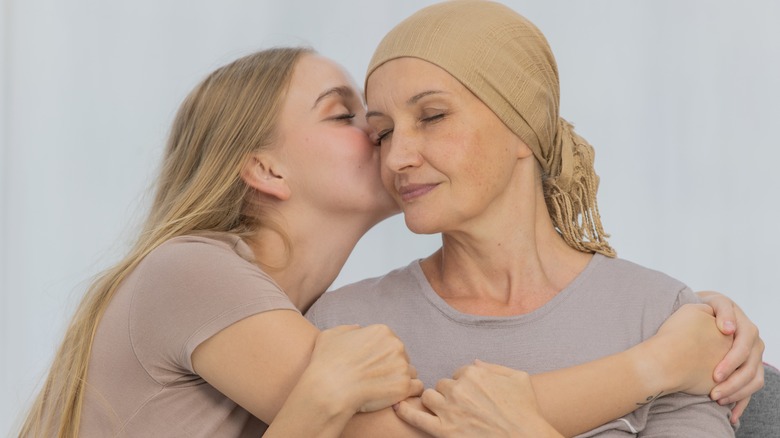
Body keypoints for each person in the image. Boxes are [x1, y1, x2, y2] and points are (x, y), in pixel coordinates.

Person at [19, 41, 759, 438]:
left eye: (419, 121)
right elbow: (426, 436)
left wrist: (686, 323)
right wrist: (658, 363)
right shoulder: (193, 273)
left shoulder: (294, 313)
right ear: (265, 168)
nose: (392, 148)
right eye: (357, 121)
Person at [305, 1, 764, 436]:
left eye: (433, 116)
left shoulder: (667, 322)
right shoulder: (343, 325)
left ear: (524, 127)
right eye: (383, 133)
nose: (397, 158)